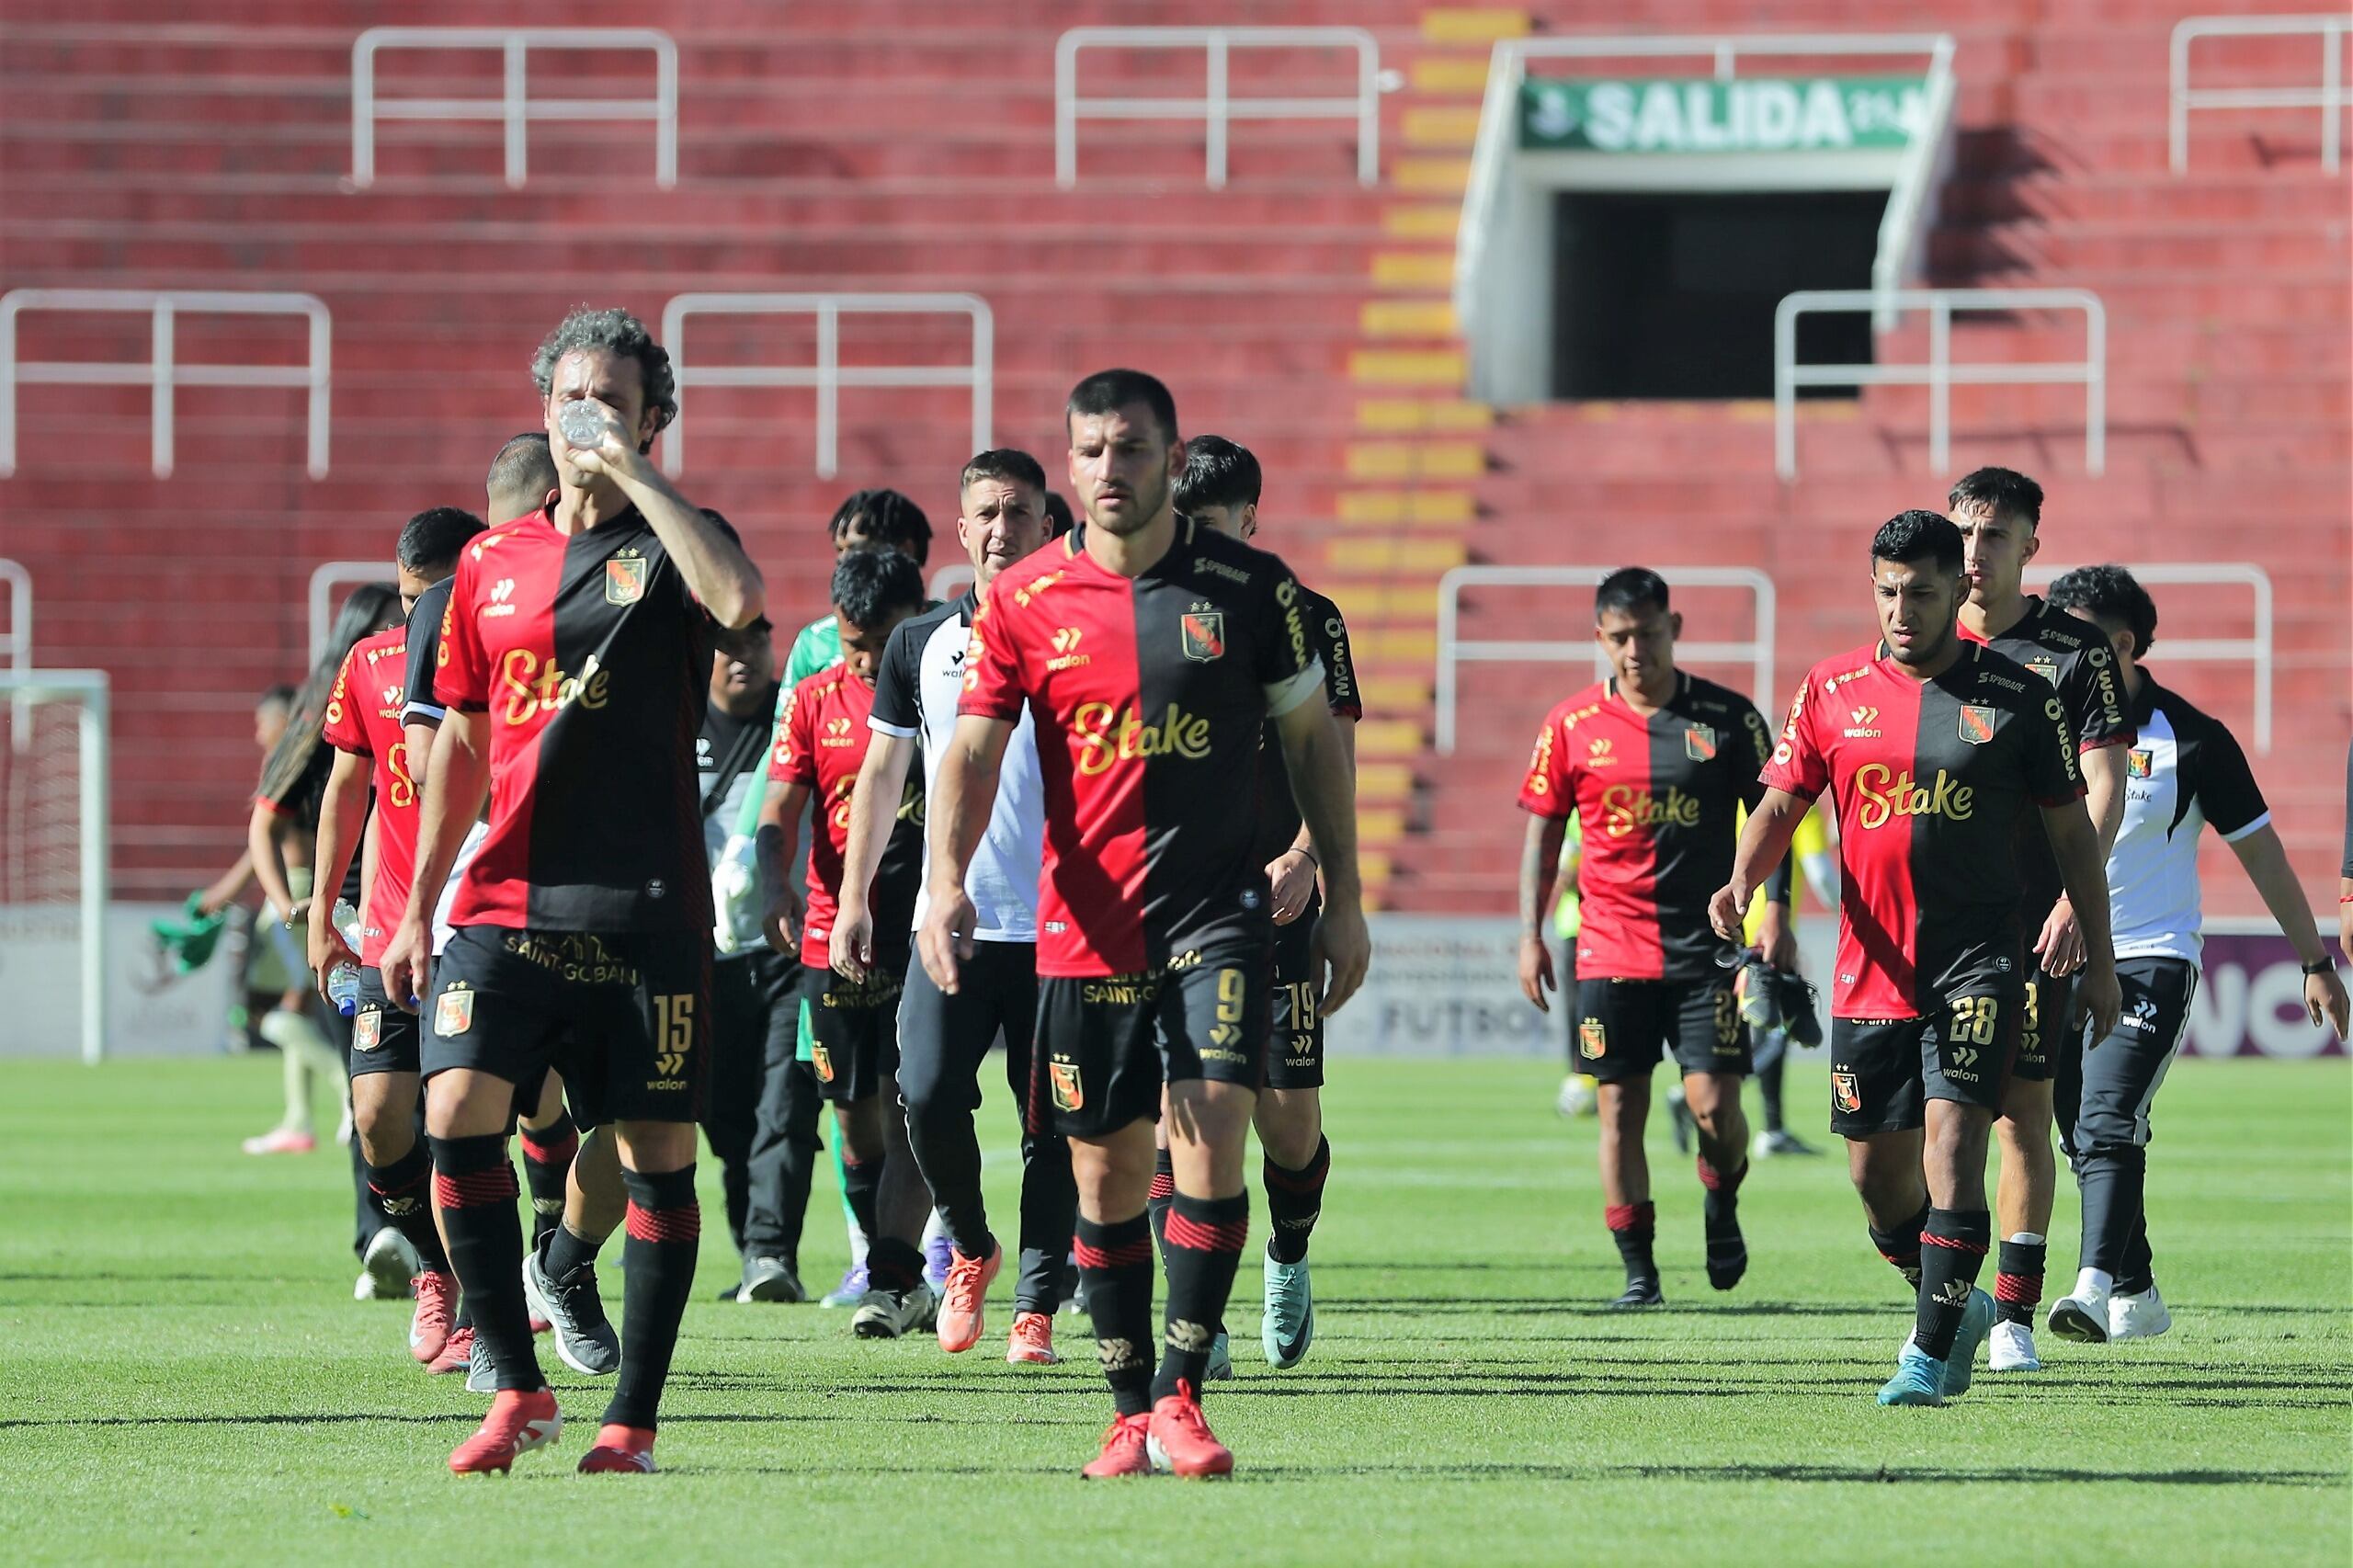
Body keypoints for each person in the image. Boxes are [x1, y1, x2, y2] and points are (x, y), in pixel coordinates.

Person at [923, 369, 1368, 1478]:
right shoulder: (1022, 600)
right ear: (1068, 465)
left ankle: (1181, 1392)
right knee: (1107, 1178)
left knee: (1214, 1124)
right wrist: (943, 880)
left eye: (1130, 449)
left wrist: (1341, 891)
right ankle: (1126, 1407)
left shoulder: (1252, 589)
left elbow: (1316, 743)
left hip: (1216, 915)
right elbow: (971, 751)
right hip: (1084, 933)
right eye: (1090, 451)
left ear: (1172, 460)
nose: (1108, 470)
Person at [382, 304, 765, 1476]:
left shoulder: (678, 540)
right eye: (567, 397)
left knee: (656, 1154)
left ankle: (631, 1420)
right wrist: (410, 900)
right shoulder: (487, 565)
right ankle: (515, 1384)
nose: (582, 415)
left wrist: (636, 474)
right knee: (454, 1115)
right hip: (503, 900)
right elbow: (457, 737)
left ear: (655, 416)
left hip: (645, 908)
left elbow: (740, 599)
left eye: (610, 397)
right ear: (541, 408)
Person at [1711, 509, 2121, 1407]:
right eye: (1888, 590)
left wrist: (2095, 955)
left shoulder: (2020, 697)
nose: (1903, 609)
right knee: (1874, 1177)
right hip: (1870, 970)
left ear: (1956, 589)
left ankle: (1929, 1356)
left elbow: (2070, 836)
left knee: (1954, 1144)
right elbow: (1780, 802)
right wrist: (1741, 884)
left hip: (1979, 963)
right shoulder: (1828, 689)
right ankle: (1956, 1302)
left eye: (1922, 591)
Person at [2041, 565, 2347, 1342]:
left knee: (2109, 1117)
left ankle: (2090, 1289)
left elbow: (2264, 855)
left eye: (2074, 639)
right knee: (2074, 1125)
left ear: (2120, 644)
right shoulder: (2037, 723)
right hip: (2052, 957)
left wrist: (2315, 962)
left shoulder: (2195, 740)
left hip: (2150, 955)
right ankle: (2138, 1292)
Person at [830, 449, 1076, 1364]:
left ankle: (1039, 1306)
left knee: (1053, 1122)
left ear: (1050, 526)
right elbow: (883, 770)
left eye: (1020, 511)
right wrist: (856, 896)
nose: (1003, 528)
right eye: (987, 512)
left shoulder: (1085, 630)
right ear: (962, 526)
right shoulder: (918, 643)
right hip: (953, 920)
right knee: (927, 1094)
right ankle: (970, 1244)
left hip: (1060, 926)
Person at [1517, 568, 1788, 1309]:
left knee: (1716, 1111)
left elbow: (1775, 819)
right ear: (1601, 640)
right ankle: (1640, 1272)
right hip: (1607, 949)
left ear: (1675, 626)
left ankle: (1721, 1198)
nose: (1636, 649)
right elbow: (1542, 838)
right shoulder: (1570, 726)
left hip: (1706, 952)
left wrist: (1776, 913)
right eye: (1620, 636)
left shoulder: (1729, 718)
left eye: (1648, 632)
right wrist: (1531, 935)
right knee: (1618, 1109)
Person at [1168, 434, 1358, 1371]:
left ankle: (1288, 1250)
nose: (1195, 543)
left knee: (1286, 1118)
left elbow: (1332, 760)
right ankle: (1194, 1320)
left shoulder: (1308, 618)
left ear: (1250, 520)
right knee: (1185, 1110)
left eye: (1212, 527)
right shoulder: (1139, 608)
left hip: (1277, 901)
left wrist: (1307, 860)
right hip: (1168, 901)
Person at [723, 486, 937, 1308]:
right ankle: (876, 1257)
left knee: (913, 1100)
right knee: (852, 1116)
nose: (862, 662)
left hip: (923, 933)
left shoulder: (951, 692)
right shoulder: (813, 698)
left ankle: (901, 1272)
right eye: (852, 646)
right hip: (829, 935)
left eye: (879, 645)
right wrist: (773, 876)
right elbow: (779, 805)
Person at [1949, 467, 2133, 1372]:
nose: (1974, 552)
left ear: (2031, 545)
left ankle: (2012, 1317)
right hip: (1928, 925)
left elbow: (2103, 783)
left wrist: (2073, 893)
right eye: (1964, 532)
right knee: (1907, 1137)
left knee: (2020, 1112)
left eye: (1993, 534)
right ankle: (1948, 1286)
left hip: (2026, 917)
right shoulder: (1917, 640)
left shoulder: (2072, 653)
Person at [307, 506, 486, 1371]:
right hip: (389, 934)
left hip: (490, 925)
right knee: (380, 1118)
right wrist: (320, 913)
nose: (416, 617)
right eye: (409, 599)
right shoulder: (373, 663)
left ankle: (527, 1284)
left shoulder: (513, 664)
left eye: (433, 598)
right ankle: (433, 1267)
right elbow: (348, 788)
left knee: (483, 1122)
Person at [246, 585, 408, 1296]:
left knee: (424, 1086)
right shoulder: (320, 718)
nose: (405, 633)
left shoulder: (416, 695)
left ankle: (419, 1240)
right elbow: (264, 821)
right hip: (345, 928)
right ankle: (376, 1238)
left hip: (410, 907)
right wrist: (292, 909)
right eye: (390, 624)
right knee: (365, 1086)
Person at [692, 585, 820, 1307]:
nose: (744, 655)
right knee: (726, 1116)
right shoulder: (679, 721)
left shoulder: (791, 715)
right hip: (702, 956)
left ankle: (772, 1252)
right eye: (728, 643)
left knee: (785, 1105)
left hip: (783, 944)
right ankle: (755, 1251)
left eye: (756, 640)